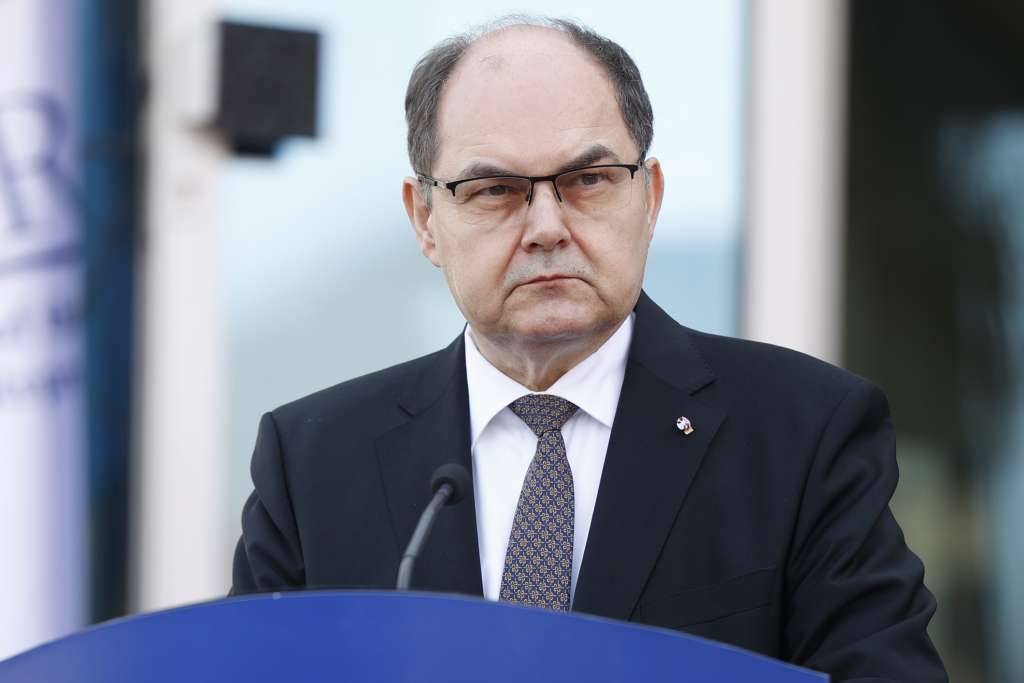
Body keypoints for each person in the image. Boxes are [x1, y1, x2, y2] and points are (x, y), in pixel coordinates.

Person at [230, 16, 947, 681]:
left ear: (649, 198)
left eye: (587, 180)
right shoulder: (313, 460)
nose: (546, 227)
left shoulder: (803, 432)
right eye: (494, 189)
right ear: (424, 220)